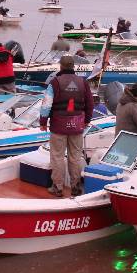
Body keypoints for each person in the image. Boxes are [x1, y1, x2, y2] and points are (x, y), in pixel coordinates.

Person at [40, 56, 94, 197]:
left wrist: (43, 122)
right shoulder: (83, 82)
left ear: (61, 66)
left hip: (58, 126)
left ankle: (57, 187)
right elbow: (90, 103)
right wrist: (87, 120)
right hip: (77, 125)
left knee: (57, 157)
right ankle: (75, 187)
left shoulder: (55, 82)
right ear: (73, 66)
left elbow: (46, 105)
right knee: (75, 157)